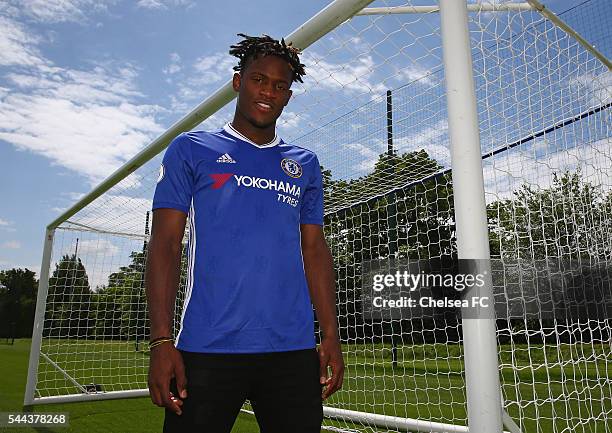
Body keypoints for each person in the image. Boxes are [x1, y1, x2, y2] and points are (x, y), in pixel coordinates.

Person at [146, 33, 344, 433]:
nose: (268, 91)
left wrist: (331, 336)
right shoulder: (191, 149)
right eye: (258, 79)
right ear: (238, 81)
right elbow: (165, 245)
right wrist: (161, 341)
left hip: (292, 350)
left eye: (279, 85)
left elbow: (315, 250)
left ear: (288, 95)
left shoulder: (304, 164)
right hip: (207, 347)